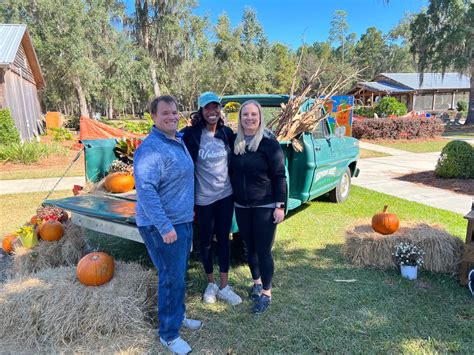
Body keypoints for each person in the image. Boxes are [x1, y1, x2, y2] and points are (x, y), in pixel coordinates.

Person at [134, 95, 201, 354]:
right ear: (153, 117)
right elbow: (146, 191)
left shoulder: (176, 141)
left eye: (175, 112)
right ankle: (169, 334)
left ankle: (178, 316)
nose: (172, 117)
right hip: (162, 226)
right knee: (171, 278)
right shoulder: (151, 149)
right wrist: (165, 227)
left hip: (181, 221)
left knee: (178, 275)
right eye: (165, 113)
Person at [181, 92, 242, 306]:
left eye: (215, 107)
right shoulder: (191, 134)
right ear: (201, 111)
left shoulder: (227, 134)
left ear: (220, 110)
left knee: (224, 240)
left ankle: (224, 286)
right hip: (203, 199)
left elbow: (243, 149)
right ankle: (211, 283)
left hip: (225, 196)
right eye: (207, 108)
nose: (212, 112)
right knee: (205, 242)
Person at [230, 100, 287, 314]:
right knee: (249, 248)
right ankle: (256, 283)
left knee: (263, 250)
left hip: (265, 205)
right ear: (241, 118)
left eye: (254, 114)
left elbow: (279, 176)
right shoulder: (236, 144)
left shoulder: (269, 144)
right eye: (245, 114)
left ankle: (267, 292)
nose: (250, 118)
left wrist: (280, 206)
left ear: (260, 117)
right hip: (242, 206)